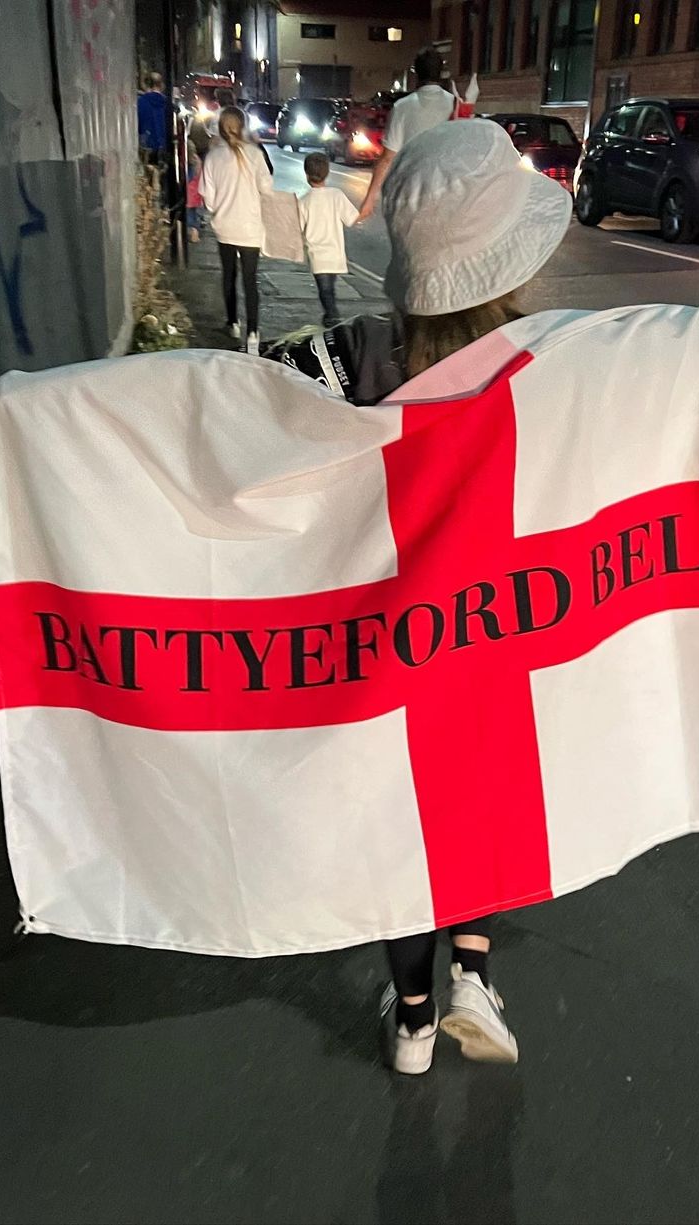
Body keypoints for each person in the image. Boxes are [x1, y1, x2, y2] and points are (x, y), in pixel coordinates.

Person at [264, 121, 571, 1072]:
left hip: (383, 655)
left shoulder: (347, 359)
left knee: (402, 828)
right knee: (478, 808)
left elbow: (248, 436)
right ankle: (476, 968)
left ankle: (411, 1016)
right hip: (496, 648)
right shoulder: (550, 374)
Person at [199, 105, 273, 354]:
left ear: (220, 128)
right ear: (243, 127)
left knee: (228, 276)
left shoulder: (213, 157)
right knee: (250, 280)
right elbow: (267, 189)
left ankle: (232, 323)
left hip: (224, 227)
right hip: (250, 228)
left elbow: (207, 200)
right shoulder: (254, 154)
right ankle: (253, 331)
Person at [357, 48, 454, 221]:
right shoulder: (455, 105)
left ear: (416, 73)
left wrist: (370, 199)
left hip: (411, 194)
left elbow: (387, 158)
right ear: (441, 73)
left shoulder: (402, 107)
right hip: (448, 193)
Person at [297, 152, 359, 329]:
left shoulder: (304, 202)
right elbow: (352, 218)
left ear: (307, 174)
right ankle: (330, 320)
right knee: (329, 290)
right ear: (327, 172)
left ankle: (334, 323)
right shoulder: (336, 195)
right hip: (335, 253)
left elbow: (298, 229)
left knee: (326, 293)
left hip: (318, 255)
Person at [137, 72, 171, 162]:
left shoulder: (140, 102)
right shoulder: (168, 104)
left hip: (146, 149)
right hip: (165, 149)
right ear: (161, 85)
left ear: (146, 84)